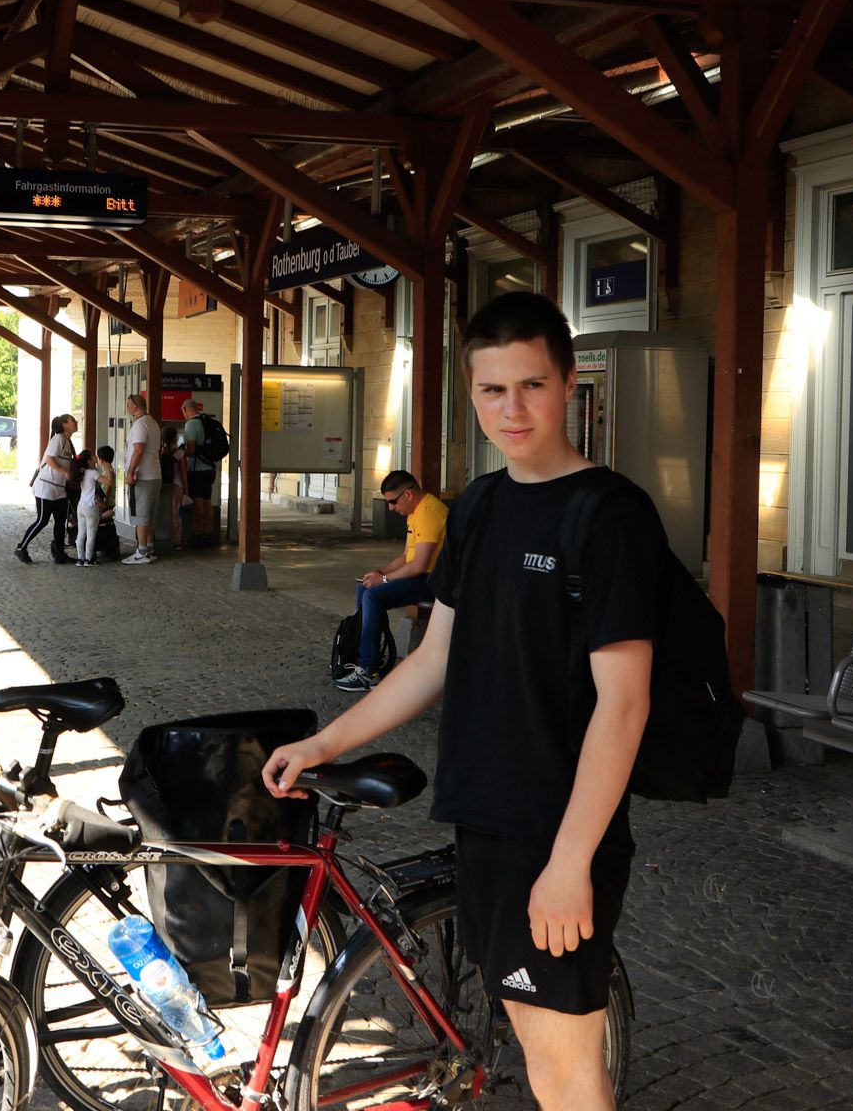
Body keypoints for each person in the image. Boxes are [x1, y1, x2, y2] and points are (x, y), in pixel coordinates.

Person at [262, 291, 657, 1111]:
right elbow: (434, 657)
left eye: (533, 385)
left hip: (554, 829)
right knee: (532, 1032)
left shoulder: (610, 516)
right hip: (482, 816)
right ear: (471, 392)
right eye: (492, 390)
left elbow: (624, 705)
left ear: (570, 383)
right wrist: (325, 743)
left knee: (564, 1068)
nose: (513, 409)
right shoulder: (476, 507)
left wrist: (570, 862)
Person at [334, 470, 448, 694]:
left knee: (374, 595)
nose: (391, 508)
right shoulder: (415, 512)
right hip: (422, 576)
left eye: (393, 502)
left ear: (408, 494)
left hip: (434, 580)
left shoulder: (429, 512)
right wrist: (378, 572)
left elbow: (420, 565)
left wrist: (383, 579)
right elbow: (407, 556)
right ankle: (360, 657)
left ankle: (368, 670)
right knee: (365, 586)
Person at [15, 413, 77, 564]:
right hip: (46, 488)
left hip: (59, 489)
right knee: (42, 520)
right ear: (65, 425)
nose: (76, 422)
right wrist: (64, 472)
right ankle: (21, 548)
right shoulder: (58, 439)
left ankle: (59, 553)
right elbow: (49, 459)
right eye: (72, 420)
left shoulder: (67, 441)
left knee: (60, 521)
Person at [121, 394, 163, 565]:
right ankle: (150, 548)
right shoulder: (152, 422)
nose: (127, 408)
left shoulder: (140, 425)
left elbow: (138, 450)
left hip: (142, 476)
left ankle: (141, 551)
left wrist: (130, 471)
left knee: (141, 514)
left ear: (135, 406)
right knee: (150, 514)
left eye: (128, 405)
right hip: (154, 474)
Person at [180, 399, 221, 547]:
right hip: (210, 468)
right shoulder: (208, 421)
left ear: (186, 409)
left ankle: (198, 535)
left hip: (196, 469)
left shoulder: (191, 424)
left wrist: (181, 453)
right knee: (207, 501)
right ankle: (209, 534)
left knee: (197, 503)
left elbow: (191, 449)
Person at [75, 445, 114, 567]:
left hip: (80, 506)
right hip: (91, 508)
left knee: (81, 534)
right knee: (91, 534)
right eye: (93, 456)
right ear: (89, 460)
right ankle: (89, 559)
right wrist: (108, 469)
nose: (96, 457)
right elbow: (109, 482)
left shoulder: (82, 472)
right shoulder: (93, 472)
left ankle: (80, 559)